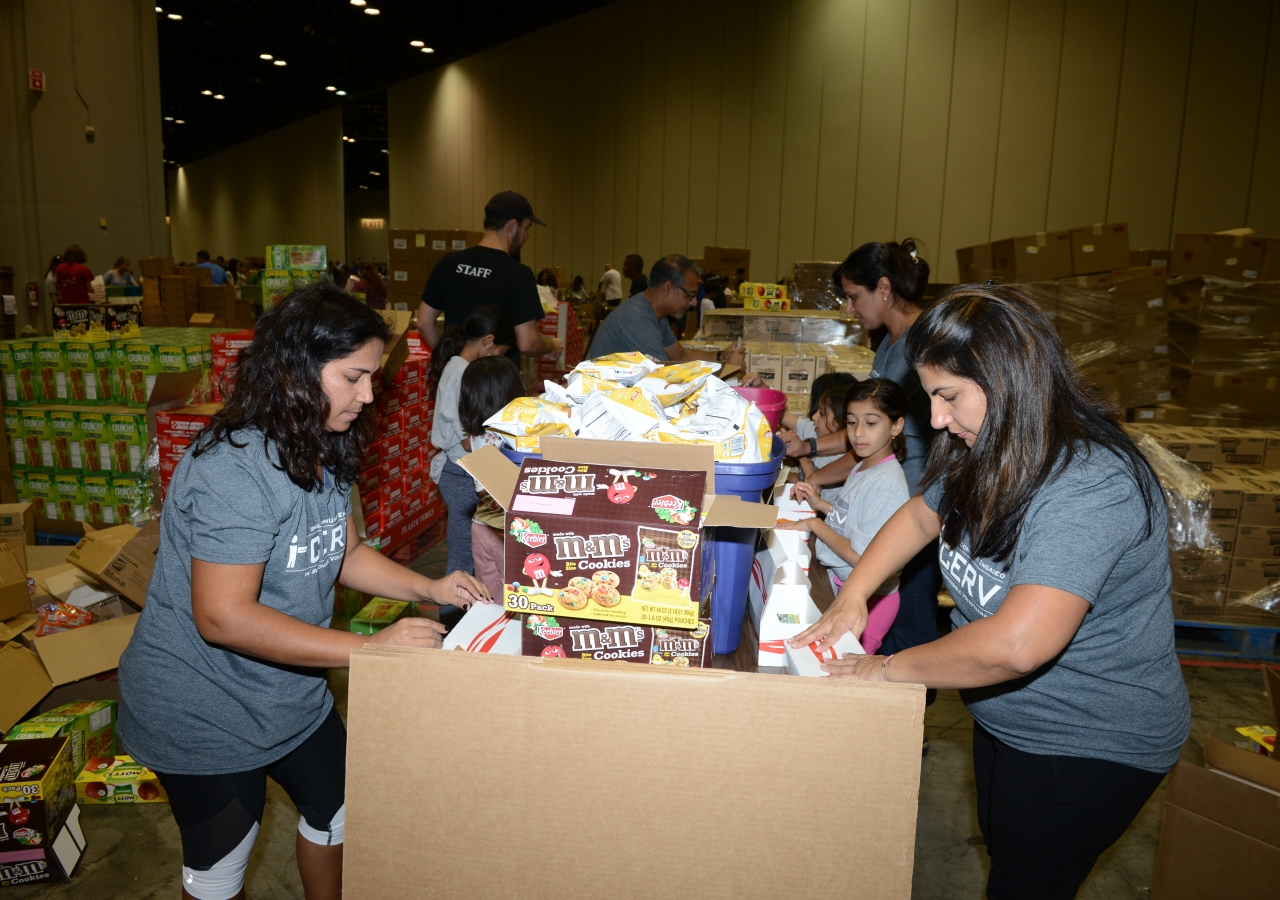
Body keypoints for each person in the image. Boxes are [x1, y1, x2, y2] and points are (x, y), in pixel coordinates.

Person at [792, 284, 1191, 899]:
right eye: (930, 399)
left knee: (1024, 882)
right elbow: (924, 515)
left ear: (1011, 380)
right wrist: (855, 596)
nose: (937, 420)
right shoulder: (986, 445)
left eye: (948, 397)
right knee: (1007, 850)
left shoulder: (1091, 484)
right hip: (1007, 716)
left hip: (1089, 739)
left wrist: (885, 668)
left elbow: (1016, 645)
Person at [117, 283, 491, 900]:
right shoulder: (232, 470)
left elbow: (341, 553)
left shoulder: (322, 442)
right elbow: (224, 618)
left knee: (341, 813)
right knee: (219, 873)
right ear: (293, 371)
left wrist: (428, 583)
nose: (368, 394)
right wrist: (372, 648)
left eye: (371, 377)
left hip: (288, 692)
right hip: (202, 708)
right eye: (353, 377)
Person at [787, 239, 939, 669]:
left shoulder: (919, 343)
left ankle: (908, 721)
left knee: (908, 619)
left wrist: (815, 474)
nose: (850, 309)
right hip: (886, 499)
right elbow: (861, 430)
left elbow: (868, 436)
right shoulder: (889, 344)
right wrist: (811, 450)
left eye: (854, 297)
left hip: (911, 500)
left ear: (885, 288)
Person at [777, 378, 909, 654]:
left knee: (847, 671)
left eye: (871, 423)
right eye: (851, 422)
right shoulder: (865, 465)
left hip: (872, 600)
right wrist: (820, 503)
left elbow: (860, 556)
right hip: (844, 582)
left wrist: (814, 523)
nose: (859, 433)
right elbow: (853, 520)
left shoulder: (887, 483)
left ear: (896, 425)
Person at [417, 191, 561, 367]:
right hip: (494, 387)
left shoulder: (449, 263)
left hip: (454, 386)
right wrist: (552, 345)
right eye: (527, 227)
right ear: (512, 226)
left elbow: (424, 322)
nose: (527, 236)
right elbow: (528, 342)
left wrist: (450, 361)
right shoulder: (518, 274)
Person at [427, 306, 517, 585]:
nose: (498, 358)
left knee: (484, 558)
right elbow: (468, 440)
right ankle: (453, 620)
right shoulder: (461, 372)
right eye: (500, 352)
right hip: (462, 471)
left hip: (473, 467)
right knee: (464, 563)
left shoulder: (464, 368)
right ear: (487, 341)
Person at [586, 254, 744, 367]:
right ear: (668, 288)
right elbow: (666, 380)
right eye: (690, 295)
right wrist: (727, 368)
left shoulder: (656, 315)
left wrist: (721, 357)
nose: (694, 302)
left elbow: (680, 356)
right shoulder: (638, 320)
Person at [459, 356, 527, 603]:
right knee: (517, 599)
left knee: (489, 600)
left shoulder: (477, 437)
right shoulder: (513, 440)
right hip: (505, 531)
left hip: (481, 527)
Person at [782, 376, 858, 501]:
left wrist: (803, 458)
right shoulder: (814, 429)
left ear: (841, 422)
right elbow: (786, 416)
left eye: (822, 413)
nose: (814, 417)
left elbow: (818, 498)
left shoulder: (841, 461)